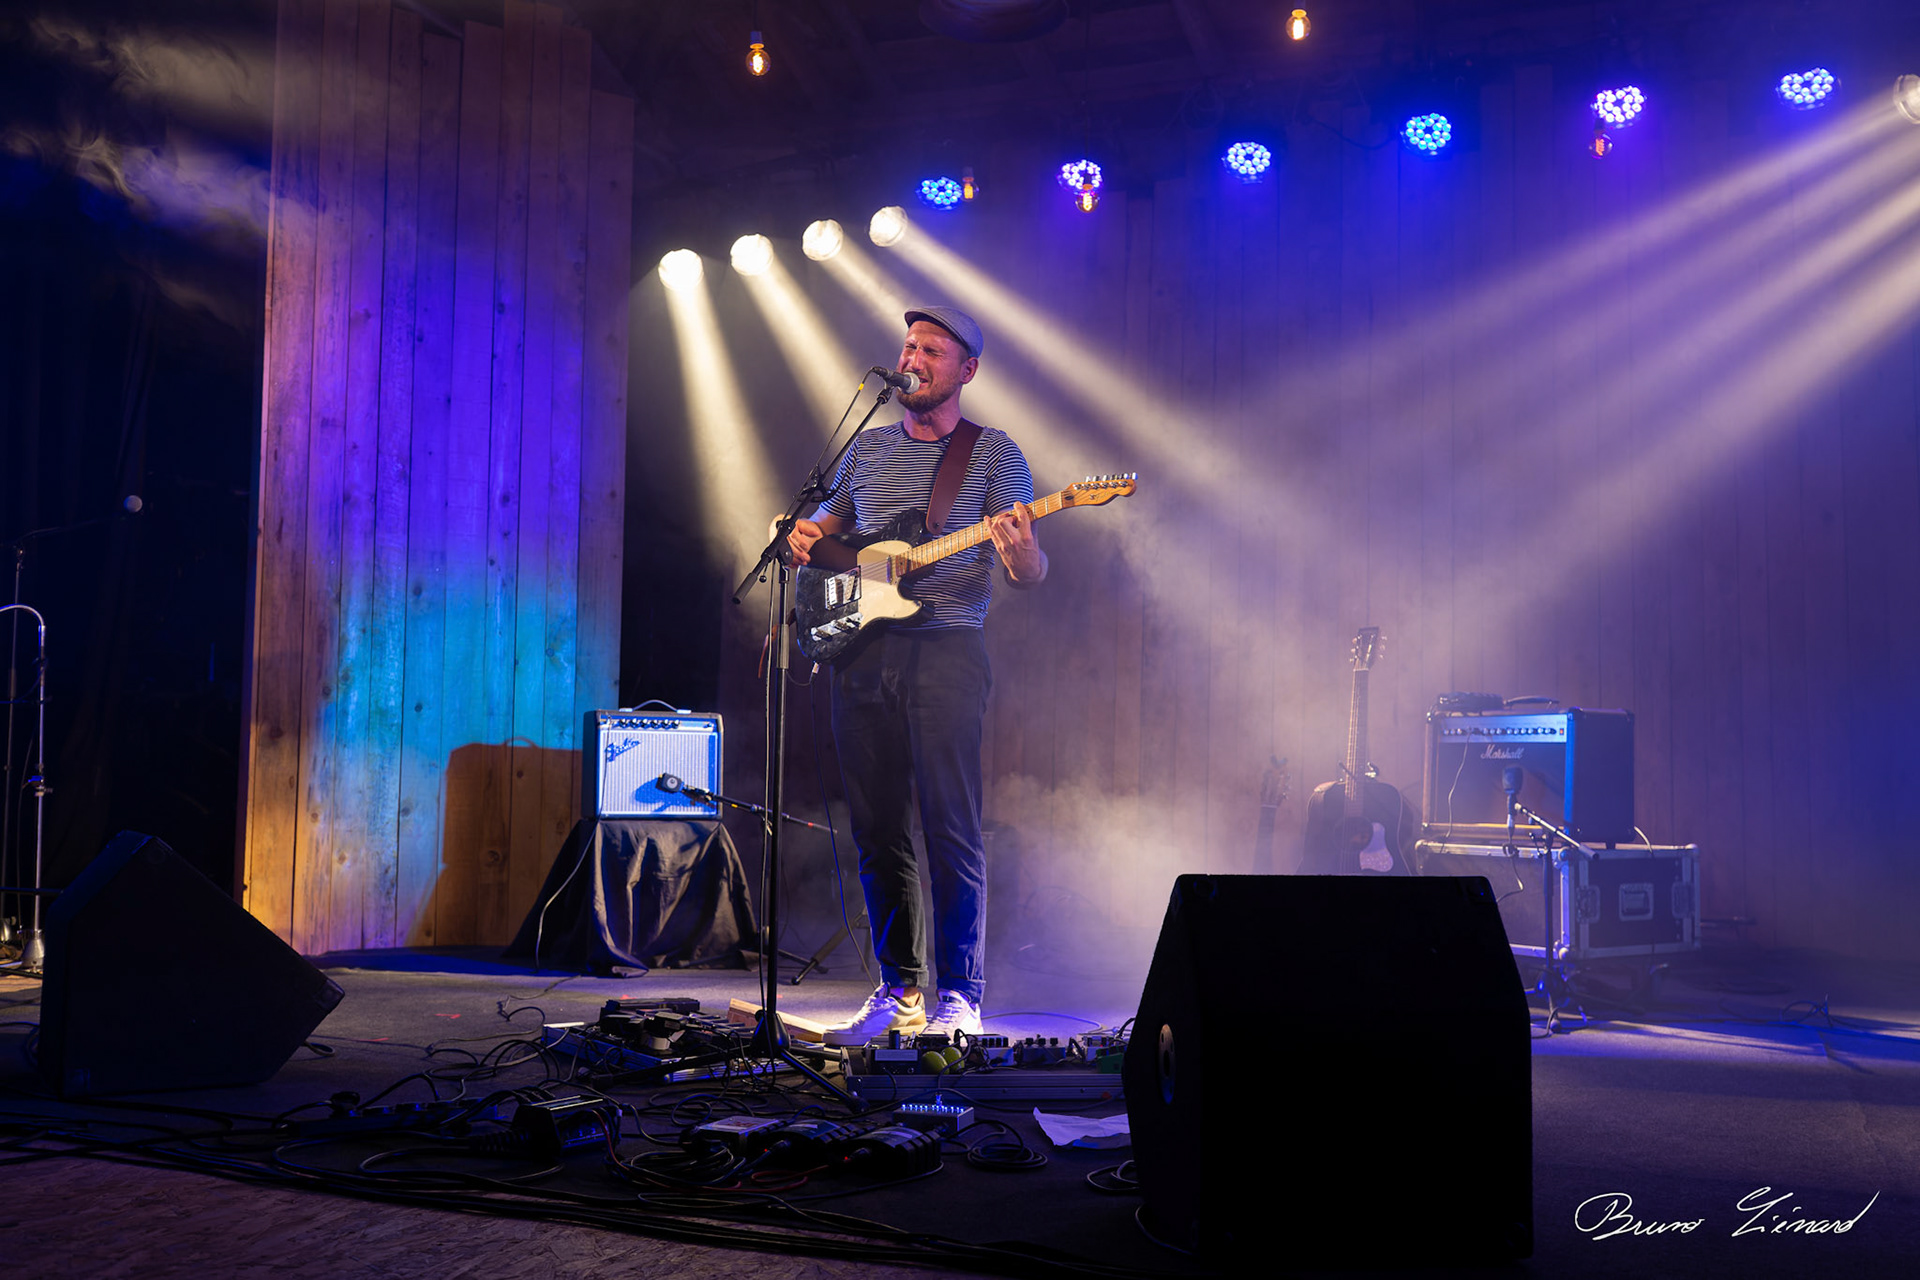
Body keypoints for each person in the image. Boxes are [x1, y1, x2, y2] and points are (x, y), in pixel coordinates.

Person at [787, 306, 1046, 1047]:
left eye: (931, 349)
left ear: (966, 370)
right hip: (863, 655)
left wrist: (1023, 550)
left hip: (948, 653)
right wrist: (809, 533)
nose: (914, 357)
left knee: (950, 826)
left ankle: (960, 996)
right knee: (876, 830)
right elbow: (829, 531)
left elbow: (1029, 573)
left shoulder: (993, 454)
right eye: (908, 346)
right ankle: (898, 991)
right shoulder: (866, 451)